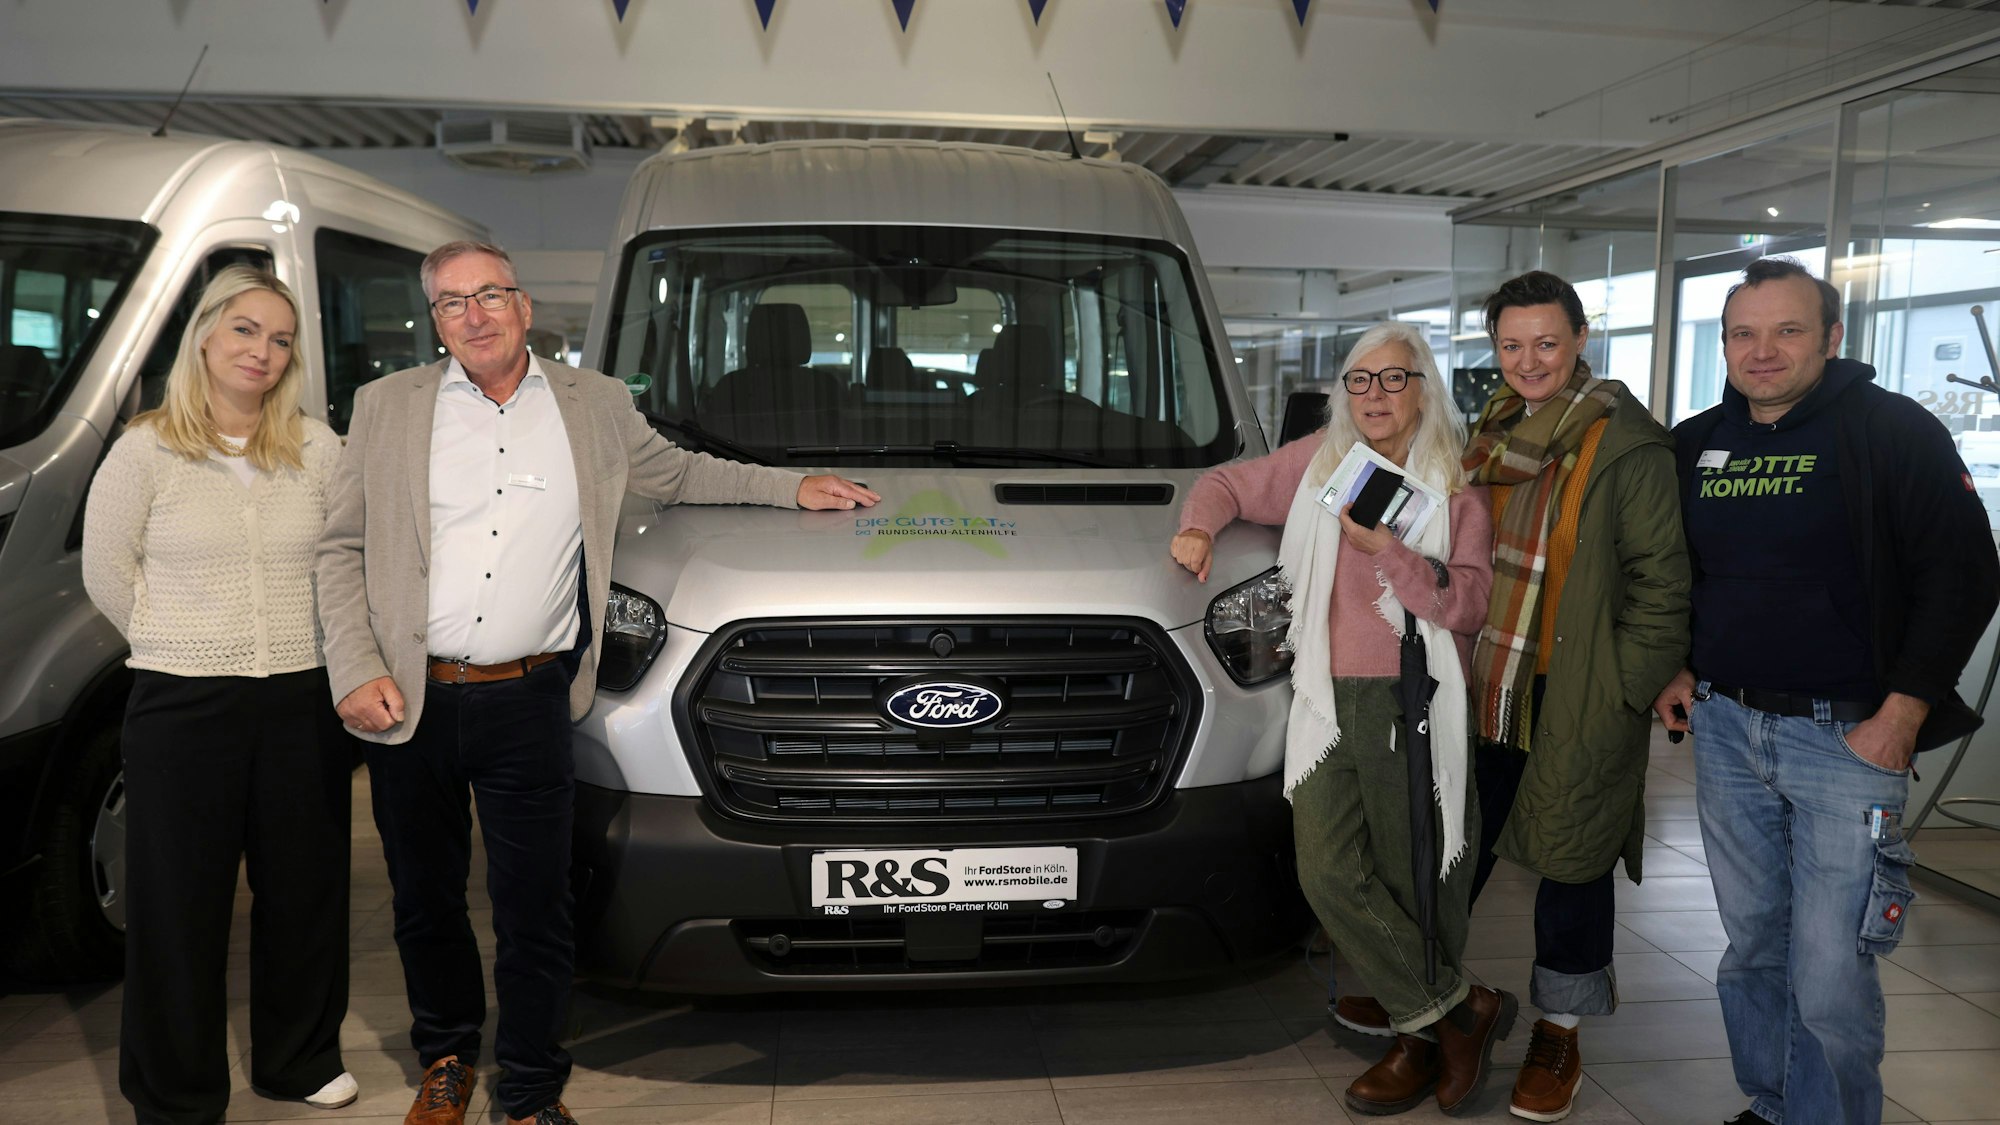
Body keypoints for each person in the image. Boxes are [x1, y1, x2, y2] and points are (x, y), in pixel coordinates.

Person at [313, 240, 880, 1125]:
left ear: (525, 305)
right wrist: (354, 667)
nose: (475, 314)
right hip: (409, 700)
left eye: (491, 294)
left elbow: (683, 472)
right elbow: (340, 547)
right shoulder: (387, 407)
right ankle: (448, 1060)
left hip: (532, 699)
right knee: (424, 901)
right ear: (435, 321)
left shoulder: (595, 404)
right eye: (454, 302)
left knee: (536, 906)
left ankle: (532, 1089)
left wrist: (793, 486)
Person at [1335, 271, 1689, 1123]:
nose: (1529, 360)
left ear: (1579, 339)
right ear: (1493, 348)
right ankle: (1438, 1003)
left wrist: (1623, 691)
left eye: (1547, 342)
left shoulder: (1627, 443)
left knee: (1573, 861)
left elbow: (1660, 585)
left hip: (1575, 688)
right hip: (1484, 680)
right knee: (1456, 848)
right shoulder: (1487, 431)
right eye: (1511, 344)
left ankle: (1558, 1031)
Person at [1653, 256, 1999, 1125]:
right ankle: (1775, 1106)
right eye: (1744, 332)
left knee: (1832, 970)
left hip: (1849, 737)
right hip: (1729, 728)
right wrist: (1676, 665)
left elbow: (1963, 574)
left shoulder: (1892, 431)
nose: (1762, 350)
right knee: (1752, 949)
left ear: (1833, 338)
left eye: (1787, 330)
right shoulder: (1694, 443)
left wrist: (1904, 713)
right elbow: (1663, 574)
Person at [1172, 321, 1516, 1117]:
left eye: (1393, 379)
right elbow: (1227, 483)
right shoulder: (1316, 463)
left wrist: (1388, 548)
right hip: (1326, 697)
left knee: (1417, 878)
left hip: (1414, 699)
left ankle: (1419, 1037)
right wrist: (1198, 524)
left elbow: (1462, 605)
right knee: (1326, 868)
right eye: (1360, 381)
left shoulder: (1454, 492)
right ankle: (1461, 1009)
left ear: (1422, 389)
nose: (1375, 396)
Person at [83, 267, 357, 1124]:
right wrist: (178, 640)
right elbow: (105, 572)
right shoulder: (145, 448)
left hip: (303, 699)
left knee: (305, 890)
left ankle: (300, 1059)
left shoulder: (319, 448)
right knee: (177, 903)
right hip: (182, 702)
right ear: (204, 334)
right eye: (245, 330)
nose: (262, 352)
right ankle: (175, 1090)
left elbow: (345, 563)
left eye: (279, 339)